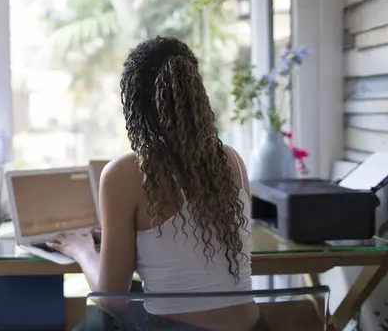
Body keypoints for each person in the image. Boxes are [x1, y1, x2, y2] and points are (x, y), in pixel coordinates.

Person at [47, 36, 267, 331]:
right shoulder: (231, 160)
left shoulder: (125, 173)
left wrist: (82, 249)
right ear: (195, 95)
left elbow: (112, 300)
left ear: (135, 104)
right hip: (255, 328)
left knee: (95, 322)